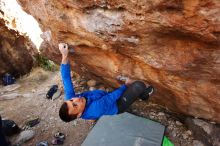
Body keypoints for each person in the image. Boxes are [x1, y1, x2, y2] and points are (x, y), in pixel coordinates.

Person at [58, 43, 154, 122]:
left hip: (104, 98)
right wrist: (126, 85)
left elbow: (66, 78)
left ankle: (138, 94)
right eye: (75, 105)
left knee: (125, 90)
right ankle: (144, 95)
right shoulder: (95, 109)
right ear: (79, 114)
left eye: (71, 101)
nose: (76, 100)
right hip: (118, 105)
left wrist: (64, 55)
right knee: (138, 85)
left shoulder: (71, 99)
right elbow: (110, 98)